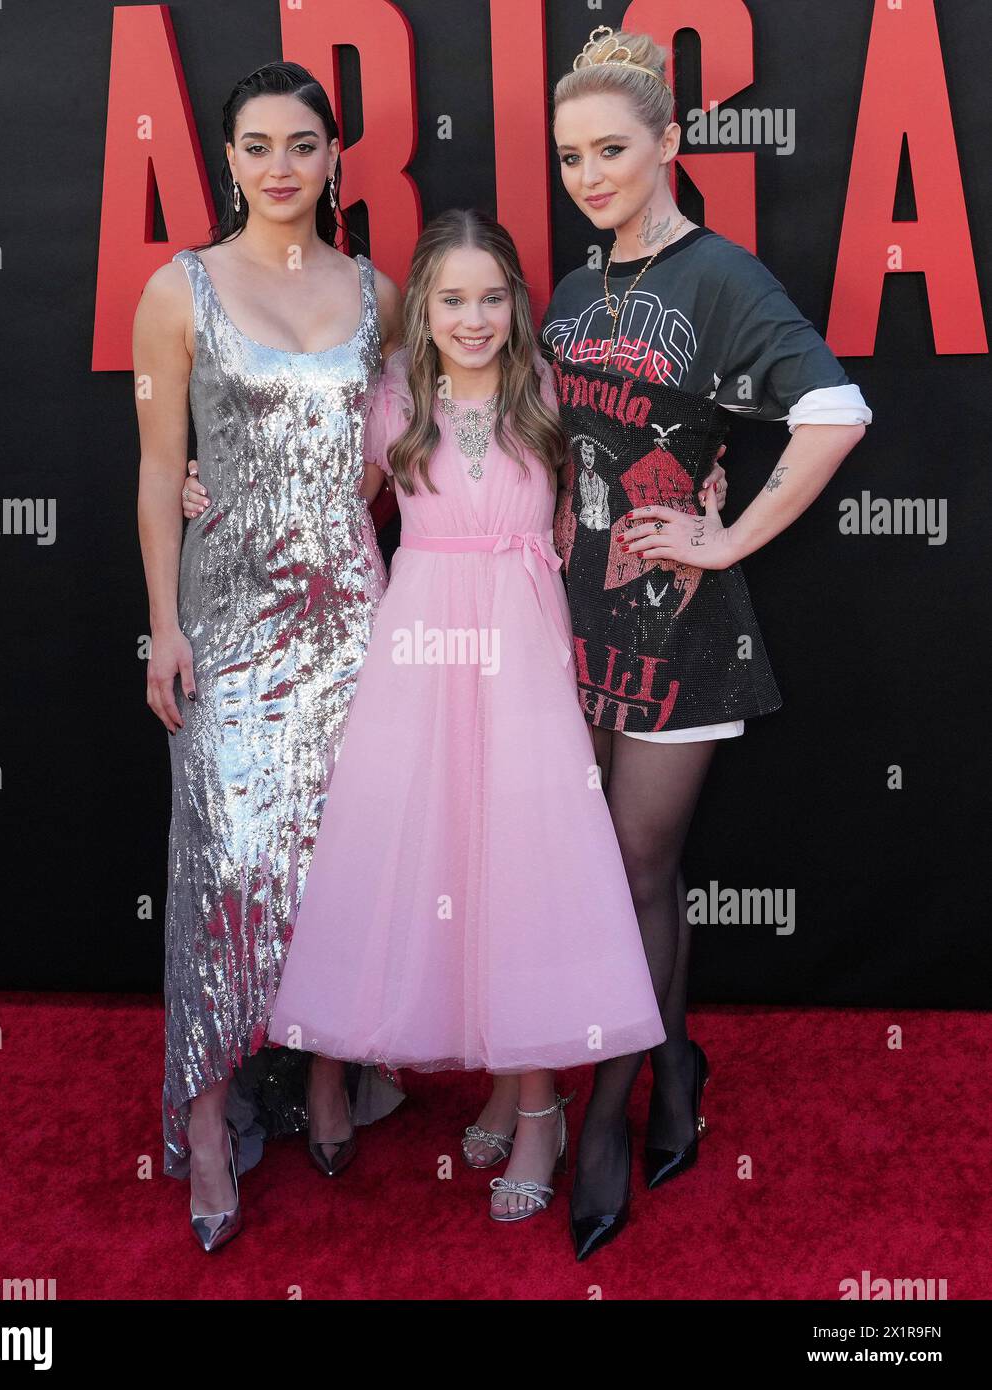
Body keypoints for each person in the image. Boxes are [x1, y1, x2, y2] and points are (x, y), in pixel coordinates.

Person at [535, 25, 872, 1258]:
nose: (587, 173)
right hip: (576, 612)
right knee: (617, 874)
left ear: (667, 143)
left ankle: (611, 1118)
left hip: (678, 627)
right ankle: (674, 1061)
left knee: (633, 865)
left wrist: (729, 542)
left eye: (610, 149)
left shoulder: (719, 277)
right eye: (569, 155)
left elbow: (832, 410)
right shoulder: (575, 291)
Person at [264, 208, 669, 1222]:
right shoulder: (394, 399)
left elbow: (630, 484)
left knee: (521, 869)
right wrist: (210, 495)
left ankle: (540, 1109)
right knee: (451, 866)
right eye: (451, 298)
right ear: (423, 309)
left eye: (492, 297)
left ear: (516, 304)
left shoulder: (548, 392)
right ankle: (501, 1075)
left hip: (523, 653)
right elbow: (332, 510)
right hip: (423, 652)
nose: (473, 317)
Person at [133, 60, 405, 1253]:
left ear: (334, 156)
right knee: (223, 865)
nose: (281, 166)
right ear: (227, 160)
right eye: (256, 145)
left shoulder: (379, 293)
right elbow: (155, 466)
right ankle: (204, 1118)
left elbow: (395, 455)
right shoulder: (175, 290)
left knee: (343, 858)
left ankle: (334, 1078)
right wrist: (166, 620)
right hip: (228, 622)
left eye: (303, 143)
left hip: (351, 614)